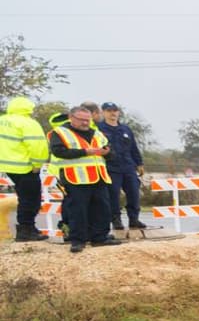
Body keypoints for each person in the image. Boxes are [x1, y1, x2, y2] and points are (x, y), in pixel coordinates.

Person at [47, 106, 120, 253]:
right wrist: (86, 152)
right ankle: (78, 240)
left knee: (102, 209)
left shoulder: (96, 133)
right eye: (82, 120)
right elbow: (59, 151)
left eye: (88, 120)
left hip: (99, 177)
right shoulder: (60, 133)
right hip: (75, 178)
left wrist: (106, 153)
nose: (85, 123)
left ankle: (99, 237)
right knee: (77, 211)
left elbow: (111, 152)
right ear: (71, 118)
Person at [0, 96, 51, 241]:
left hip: (7, 166)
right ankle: (26, 230)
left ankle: (28, 228)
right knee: (31, 199)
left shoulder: (2, 120)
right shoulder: (28, 123)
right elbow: (37, 146)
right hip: (25, 166)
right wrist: (37, 164)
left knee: (24, 197)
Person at [97, 102, 147, 232]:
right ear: (103, 112)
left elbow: (133, 147)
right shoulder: (99, 129)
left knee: (134, 193)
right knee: (113, 195)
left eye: (115, 110)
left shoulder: (125, 129)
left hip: (128, 166)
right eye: (109, 111)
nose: (113, 113)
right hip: (111, 167)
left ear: (118, 112)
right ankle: (116, 219)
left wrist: (139, 163)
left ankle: (134, 219)